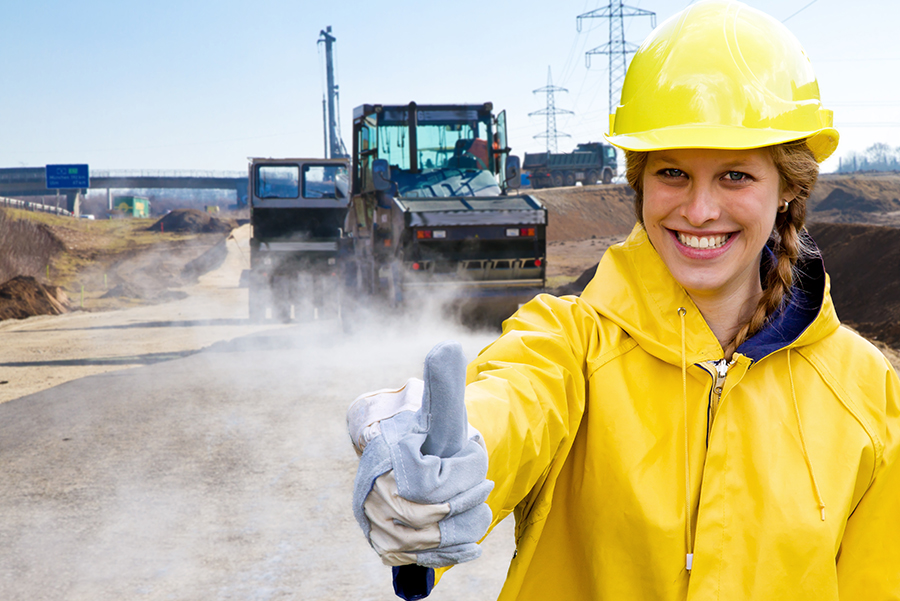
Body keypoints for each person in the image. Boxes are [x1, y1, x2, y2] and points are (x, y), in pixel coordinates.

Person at [348, 1, 900, 599]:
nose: (699, 210)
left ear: (789, 185)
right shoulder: (570, 344)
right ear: (639, 181)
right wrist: (449, 460)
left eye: (735, 175)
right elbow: (513, 402)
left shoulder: (866, 392)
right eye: (673, 173)